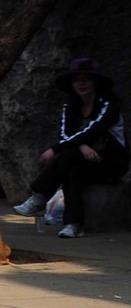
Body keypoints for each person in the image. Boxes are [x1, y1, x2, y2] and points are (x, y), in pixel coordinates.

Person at [15, 57, 128, 238]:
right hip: (81, 159)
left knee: (67, 155)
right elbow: (65, 135)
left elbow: (94, 130)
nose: (82, 84)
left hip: (109, 162)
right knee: (71, 168)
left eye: (87, 79)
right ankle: (73, 224)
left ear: (96, 82)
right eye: (77, 79)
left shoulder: (109, 106)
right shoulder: (70, 107)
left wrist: (54, 149)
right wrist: (81, 146)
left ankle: (40, 196)